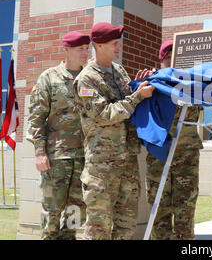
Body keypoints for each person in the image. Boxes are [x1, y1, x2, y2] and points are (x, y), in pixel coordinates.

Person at [73, 22, 155, 240]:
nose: (119, 47)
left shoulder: (118, 70)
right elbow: (105, 114)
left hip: (127, 161)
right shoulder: (86, 79)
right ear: (99, 45)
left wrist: (140, 86)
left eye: (119, 43)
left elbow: (128, 99)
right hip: (102, 167)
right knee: (99, 229)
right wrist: (138, 96)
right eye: (114, 43)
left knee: (126, 226)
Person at [27, 31, 90, 240]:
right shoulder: (49, 78)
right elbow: (36, 118)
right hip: (56, 159)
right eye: (80, 48)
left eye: (86, 48)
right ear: (67, 50)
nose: (85, 52)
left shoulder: (88, 78)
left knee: (74, 213)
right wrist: (39, 152)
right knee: (52, 214)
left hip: (82, 159)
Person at [146, 40, 204, 240]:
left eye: (175, 57)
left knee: (185, 213)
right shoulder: (152, 84)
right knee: (159, 211)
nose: (171, 61)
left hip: (186, 158)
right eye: (167, 57)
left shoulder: (194, 85)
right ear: (160, 61)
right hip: (158, 158)